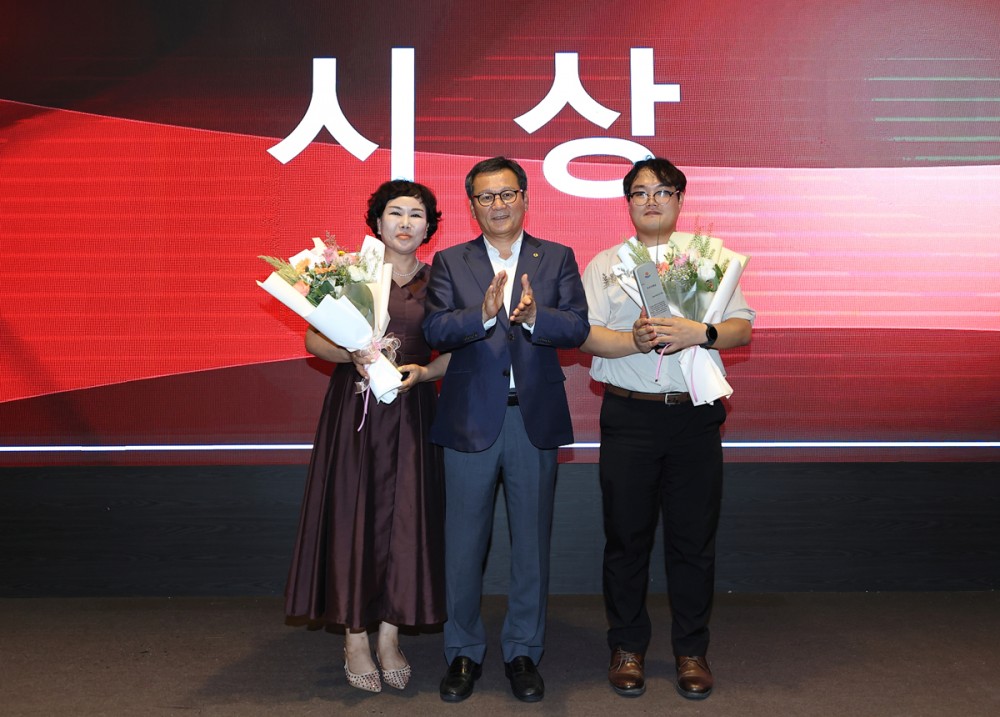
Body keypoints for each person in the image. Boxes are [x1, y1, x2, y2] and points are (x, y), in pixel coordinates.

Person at [580, 157, 754, 700]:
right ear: (627, 203)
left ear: (679, 199)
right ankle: (627, 647)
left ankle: (691, 651)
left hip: (694, 417)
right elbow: (586, 335)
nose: (650, 200)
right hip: (630, 416)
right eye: (639, 192)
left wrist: (701, 332)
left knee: (692, 541)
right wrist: (631, 340)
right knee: (626, 539)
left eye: (662, 191)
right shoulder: (606, 264)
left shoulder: (710, 258)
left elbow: (741, 328)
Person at [422, 156, 590, 703]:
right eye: (486, 197)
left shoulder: (556, 257)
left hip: (531, 419)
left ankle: (523, 652)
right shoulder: (450, 261)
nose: (497, 205)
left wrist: (537, 316)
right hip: (470, 420)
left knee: (531, 546)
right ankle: (463, 652)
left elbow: (578, 326)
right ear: (472, 205)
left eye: (507, 194)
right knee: (463, 545)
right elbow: (435, 329)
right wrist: (484, 313)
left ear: (525, 198)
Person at [284, 179, 449, 694]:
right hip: (355, 409)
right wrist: (352, 353)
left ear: (429, 226)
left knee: (406, 519)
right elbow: (314, 337)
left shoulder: (442, 280)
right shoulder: (353, 273)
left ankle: (390, 635)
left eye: (416, 214)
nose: (405, 222)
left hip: (413, 407)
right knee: (352, 515)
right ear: (377, 222)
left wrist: (425, 372)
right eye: (395, 212)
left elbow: (459, 351)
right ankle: (355, 637)